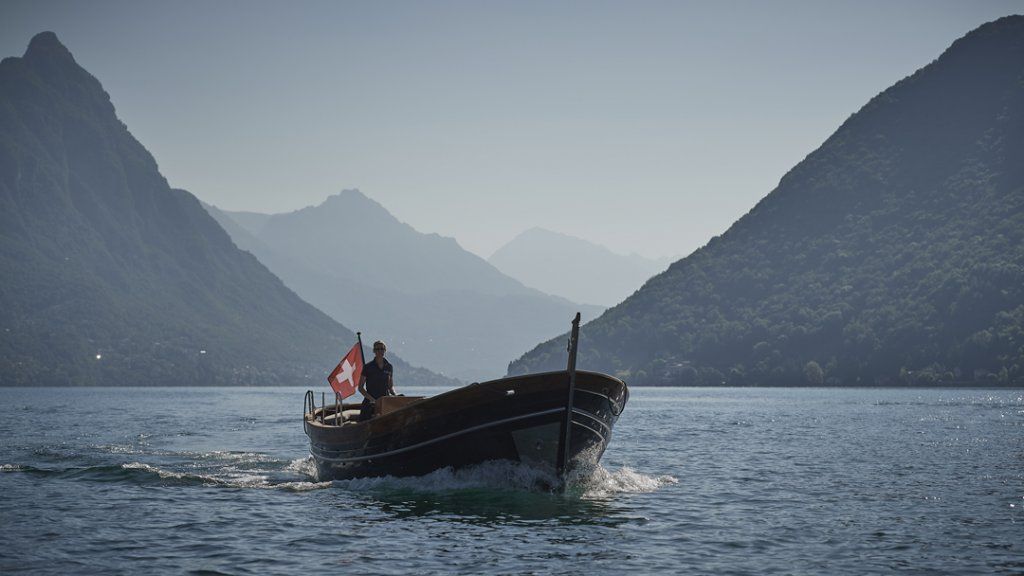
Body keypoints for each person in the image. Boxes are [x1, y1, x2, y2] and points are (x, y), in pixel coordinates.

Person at [358, 340, 395, 421]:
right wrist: (372, 400)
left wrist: (395, 396)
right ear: (374, 351)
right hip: (370, 402)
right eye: (377, 349)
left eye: (382, 349)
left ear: (385, 350)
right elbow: (360, 388)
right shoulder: (367, 367)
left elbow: (390, 386)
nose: (380, 351)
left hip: (385, 402)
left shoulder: (389, 366)